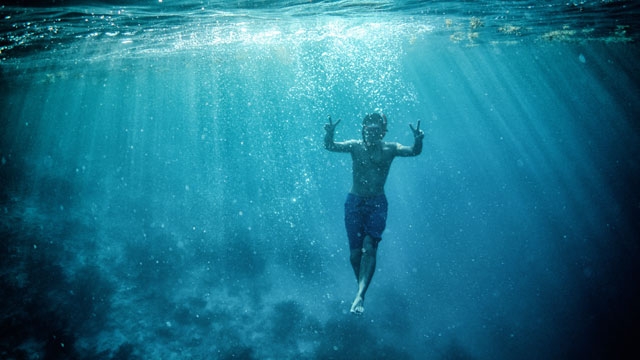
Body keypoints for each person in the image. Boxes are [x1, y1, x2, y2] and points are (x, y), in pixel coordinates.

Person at [324, 112, 424, 315]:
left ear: (383, 132)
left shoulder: (391, 148)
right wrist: (329, 134)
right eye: (368, 129)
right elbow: (330, 146)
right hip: (353, 202)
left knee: (369, 247)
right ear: (362, 130)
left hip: (377, 203)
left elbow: (413, 151)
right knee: (354, 256)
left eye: (376, 130)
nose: (371, 133)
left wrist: (418, 140)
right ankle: (361, 289)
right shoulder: (354, 146)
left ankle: (360, 294)